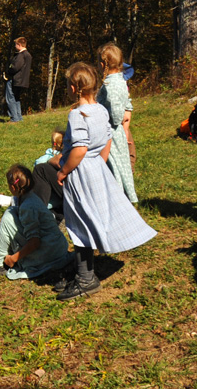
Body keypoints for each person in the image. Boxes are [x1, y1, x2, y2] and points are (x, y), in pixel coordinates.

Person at [54, 62, 156, 301]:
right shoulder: (100, 109)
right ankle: (83, 271)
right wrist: (98, 163)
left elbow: (79, 149)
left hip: (80, 172)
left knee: (79, 223)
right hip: (96, 168)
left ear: (73, 88)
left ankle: (86, 278)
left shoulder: (78, 114)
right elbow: (107, 140)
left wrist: (63, 172)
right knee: (89, 219)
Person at [0, 165, 73, 282]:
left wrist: (13, 258)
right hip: (57, 247)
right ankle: (0, 256)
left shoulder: (28, 206)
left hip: (50, 253)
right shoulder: (30, 198)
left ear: (14, 187)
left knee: (8, 216)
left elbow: (34, 242)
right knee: (12, 211)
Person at [97, 44, 138, 204]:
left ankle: (118, 198)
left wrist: (103, 116)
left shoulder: (111, 85)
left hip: (111, 132)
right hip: (117, 131)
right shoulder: (120, 80)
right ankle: (122, 197)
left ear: (102, 65)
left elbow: (115, 114)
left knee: (114, 165)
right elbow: (126, 104)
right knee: (121, 163)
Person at [4, 36, 32, 123]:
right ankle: (19, 117)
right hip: (22, 81)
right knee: (16, 98)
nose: (15, 47)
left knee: (10, 98)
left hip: (15, 80)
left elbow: (15, 67)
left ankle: (14, 118)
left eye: (16, 45)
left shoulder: (21, 55)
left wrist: (7, 72)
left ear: (19, 45)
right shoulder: (28, 55)